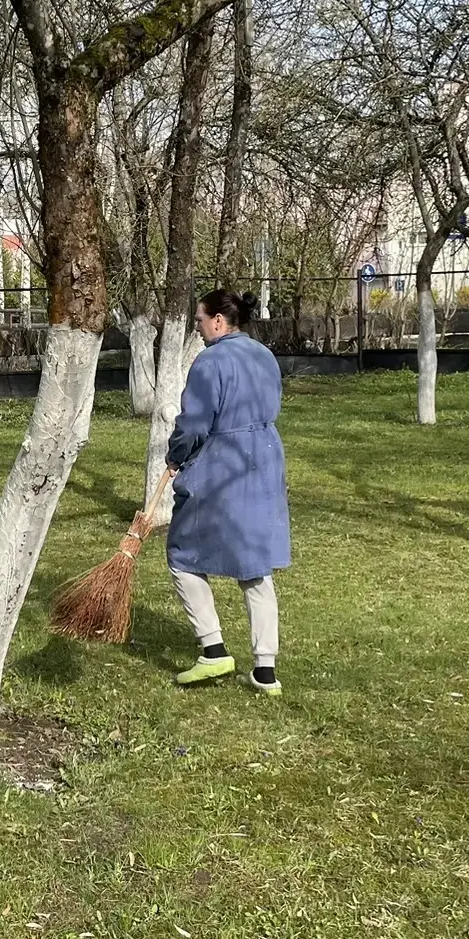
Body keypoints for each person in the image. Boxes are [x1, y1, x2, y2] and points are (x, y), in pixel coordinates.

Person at [166, 288, 290, 696]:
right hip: (264, 459)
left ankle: (213, 649)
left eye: (199, 320)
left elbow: (195, 423)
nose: (198, 328)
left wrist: (176, 455)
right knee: (254, 564)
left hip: (223, 465)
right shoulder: (265, 355)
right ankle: (266, 670)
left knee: (183, 554)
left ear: (218, 321)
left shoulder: (210, 361)